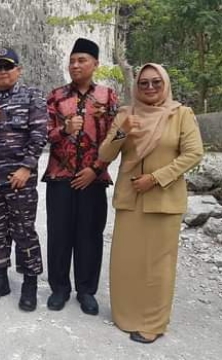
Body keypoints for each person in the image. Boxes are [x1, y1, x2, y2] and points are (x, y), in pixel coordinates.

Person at [99, 63, 203, 344]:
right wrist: (123, 132)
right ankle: (125, 315)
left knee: (158, 265)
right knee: (126, 262)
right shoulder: (125, 114)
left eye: (156, 82)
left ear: (165, 83)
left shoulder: (180, 114)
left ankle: (153, 324)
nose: (149, 87)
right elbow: (105, 153)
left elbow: (194, 153)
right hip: (130, 199)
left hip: (163, 200)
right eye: (143, 83)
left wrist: (156, 178)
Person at [42, 38, 119, 315]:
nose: (75, 65)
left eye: (82, 60)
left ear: (95, 64)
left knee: (90, 235)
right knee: (59, 235)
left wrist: (95, 169)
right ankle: (59, 289)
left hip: (93, 179)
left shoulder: (108, 97)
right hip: (59, 177)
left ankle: (86, 290)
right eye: (72, 60)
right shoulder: (56, 96)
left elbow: (116, 137)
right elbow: (43, 135)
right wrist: (64, 129)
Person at [0, 48, 47, 311]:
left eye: (8, 67)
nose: (3, 72)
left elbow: (39, 136)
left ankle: (29, 284)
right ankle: (0, 279)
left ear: (19, 70)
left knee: (24, 231)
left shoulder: (32, 96)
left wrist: (26, 168)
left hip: (20, 180)